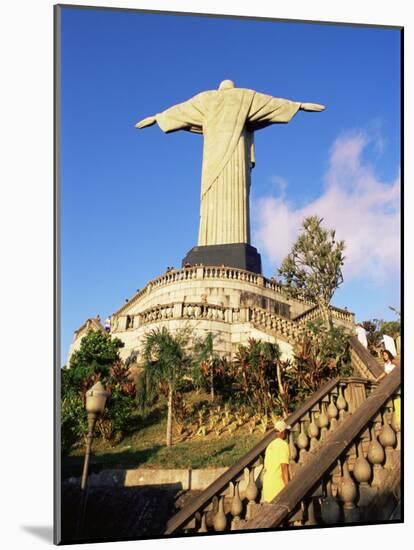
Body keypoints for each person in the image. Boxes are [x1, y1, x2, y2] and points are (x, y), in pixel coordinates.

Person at [261, 420, 291, 503]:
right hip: (277, 486)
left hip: (267, 486)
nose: (287, 433)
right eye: (287, 431)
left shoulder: (270, 445)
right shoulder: (283, 445)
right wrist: (288, 489)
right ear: (283, 432)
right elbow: (284, 468)